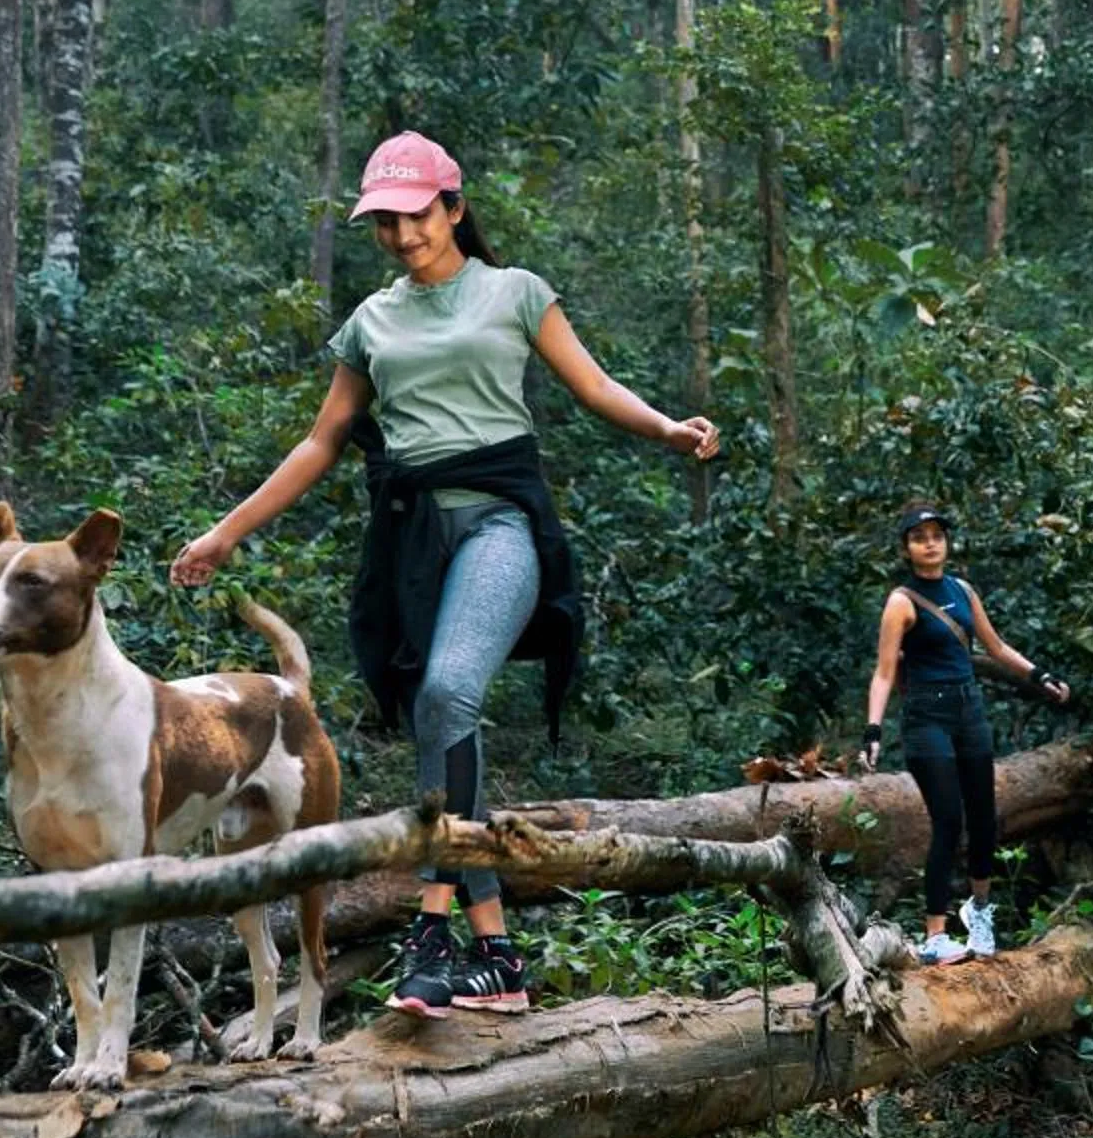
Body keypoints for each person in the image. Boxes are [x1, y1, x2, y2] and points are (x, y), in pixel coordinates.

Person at [171, 131, 720, 1020]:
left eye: (414, 216)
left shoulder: (515, 293)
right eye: (383, 222)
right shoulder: (372, 321)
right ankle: (497, 953)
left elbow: (593, 387)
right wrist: (225, 533)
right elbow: (323, 440)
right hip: (413, 544)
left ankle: (432, 930)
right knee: (443, 718)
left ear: (454, 208)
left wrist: (669, 430)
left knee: (447, 692)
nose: (399, 235)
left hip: (501, 523)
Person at [860, 503, 1069, 964]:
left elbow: (994, 647)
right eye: (919, 537)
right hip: (926, 717)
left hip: (968, 710)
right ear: (907, 548)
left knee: (984, 820)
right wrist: (872, 730)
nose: (930, 543)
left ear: (946, 542)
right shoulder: (902, 601)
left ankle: (979, 914)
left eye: (937, 535)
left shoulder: (962, 590)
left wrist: (1038, 675)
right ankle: (935, 934)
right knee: (948, 820)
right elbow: (883, 672)